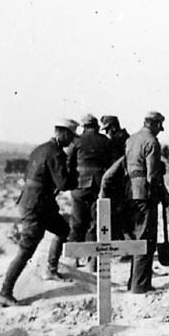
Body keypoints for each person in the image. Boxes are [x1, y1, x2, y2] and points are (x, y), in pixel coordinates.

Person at [0, 119, 79, 307]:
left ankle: (51, 269)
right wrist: (72, 170)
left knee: (62, 229)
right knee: (26, 249)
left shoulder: (40, 149)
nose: (72, 141)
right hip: (36, 207)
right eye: (71, 137)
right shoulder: (55, 152)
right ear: (63, 133)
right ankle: (5, 292)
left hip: (38, 203)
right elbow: (64, 184)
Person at [124, 111, 167, 293]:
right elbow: (152, 176)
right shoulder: (152, 142)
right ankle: (140, 286)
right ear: (155, 125)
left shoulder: (131, 140)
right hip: (144, 195)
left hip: (129, 193)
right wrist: (160, 194)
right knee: (146, 240)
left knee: (135, 239)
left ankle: (133, 282)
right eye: (159, 127)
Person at [66, 114, 112, 270]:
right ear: (96, 126)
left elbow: (69, 164)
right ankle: (92, 261)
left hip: (79, 186)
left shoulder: (76, 142)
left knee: (77, 222)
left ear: (84, 127)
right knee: (95, 223)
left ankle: (73, 259)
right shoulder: (105, 141)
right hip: (99, 185)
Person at [100, 115, 131, 239]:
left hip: (119, 184)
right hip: (121, 183)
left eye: (107, 129)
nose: (107, 133)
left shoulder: (119, 142)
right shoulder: (125, 139)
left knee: (119, 216)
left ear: (113, 127)